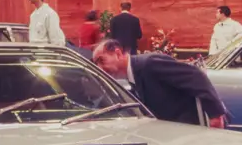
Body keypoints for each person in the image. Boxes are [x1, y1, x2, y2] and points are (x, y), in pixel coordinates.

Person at [93, 39, 227, 128]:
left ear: (117, 53)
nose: (99, 67)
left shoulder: (149, 64)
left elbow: (197, 76)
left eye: (101, 60)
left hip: (191, 133)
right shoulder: (133, 75)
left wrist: (216, 115)